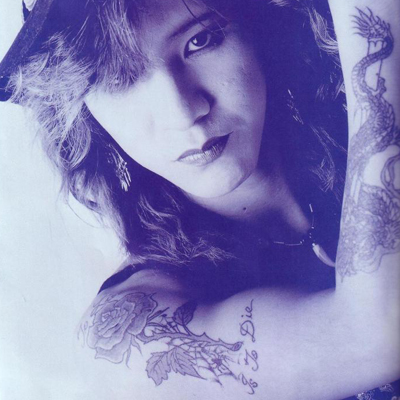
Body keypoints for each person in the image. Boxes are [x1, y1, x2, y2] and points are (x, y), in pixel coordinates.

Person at [0, 0, 398, 399]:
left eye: (201, 40)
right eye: (117, 78)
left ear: (260, 27)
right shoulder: (126, 337)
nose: (183, 111)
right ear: (81, 107)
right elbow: (373, 336)